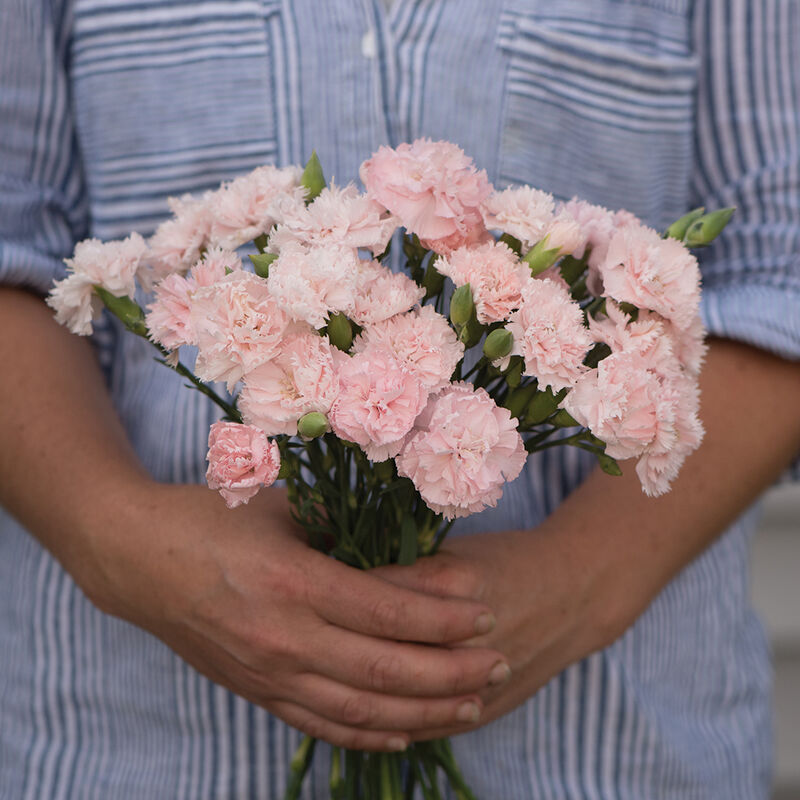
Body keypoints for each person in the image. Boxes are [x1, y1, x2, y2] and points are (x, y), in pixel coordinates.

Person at [1, 0, 798, 797]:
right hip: (135, 745)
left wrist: (581, 578)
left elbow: (783, 269)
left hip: (610, 753)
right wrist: (123, 541)